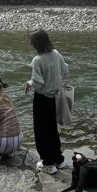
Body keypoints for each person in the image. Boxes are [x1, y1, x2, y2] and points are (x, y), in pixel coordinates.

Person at [25, 29, 69, 174]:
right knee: (52, 129)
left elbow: (38, 83)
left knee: (41, 131)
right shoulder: (56, 54)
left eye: (31, 39)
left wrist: (29, 83)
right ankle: (58, 159)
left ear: (37, 43)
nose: (29, 42)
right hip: (55, 98)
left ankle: (48, 163)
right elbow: (65, 70)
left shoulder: (37, 60)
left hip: (42, 99)